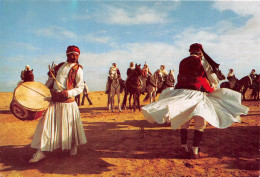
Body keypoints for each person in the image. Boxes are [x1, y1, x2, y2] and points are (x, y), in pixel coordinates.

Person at [142, 43, 248, 159]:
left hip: (181, 92)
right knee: (200, 122)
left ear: (190, 52)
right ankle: (195, 151)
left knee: (184, 120)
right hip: (196, 94)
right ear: (200, 52)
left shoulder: (183, 61)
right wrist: (211, 87)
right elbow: (212, 78)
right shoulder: (202, 62)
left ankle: (183, 147)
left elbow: (180, 77)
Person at [29, 45, 87, 163]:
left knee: (70, 128)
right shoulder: (60, 66)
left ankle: (73, 146)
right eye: (71, 54)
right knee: (45, 126)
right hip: (54, 101)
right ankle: (41, 152)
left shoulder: (79, 69)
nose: (74, 57)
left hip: (68, 103)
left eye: (76, 55)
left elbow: (80, 87)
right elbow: (51, 80)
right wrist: (44, 89)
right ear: (67, 55)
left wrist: (68, 93)